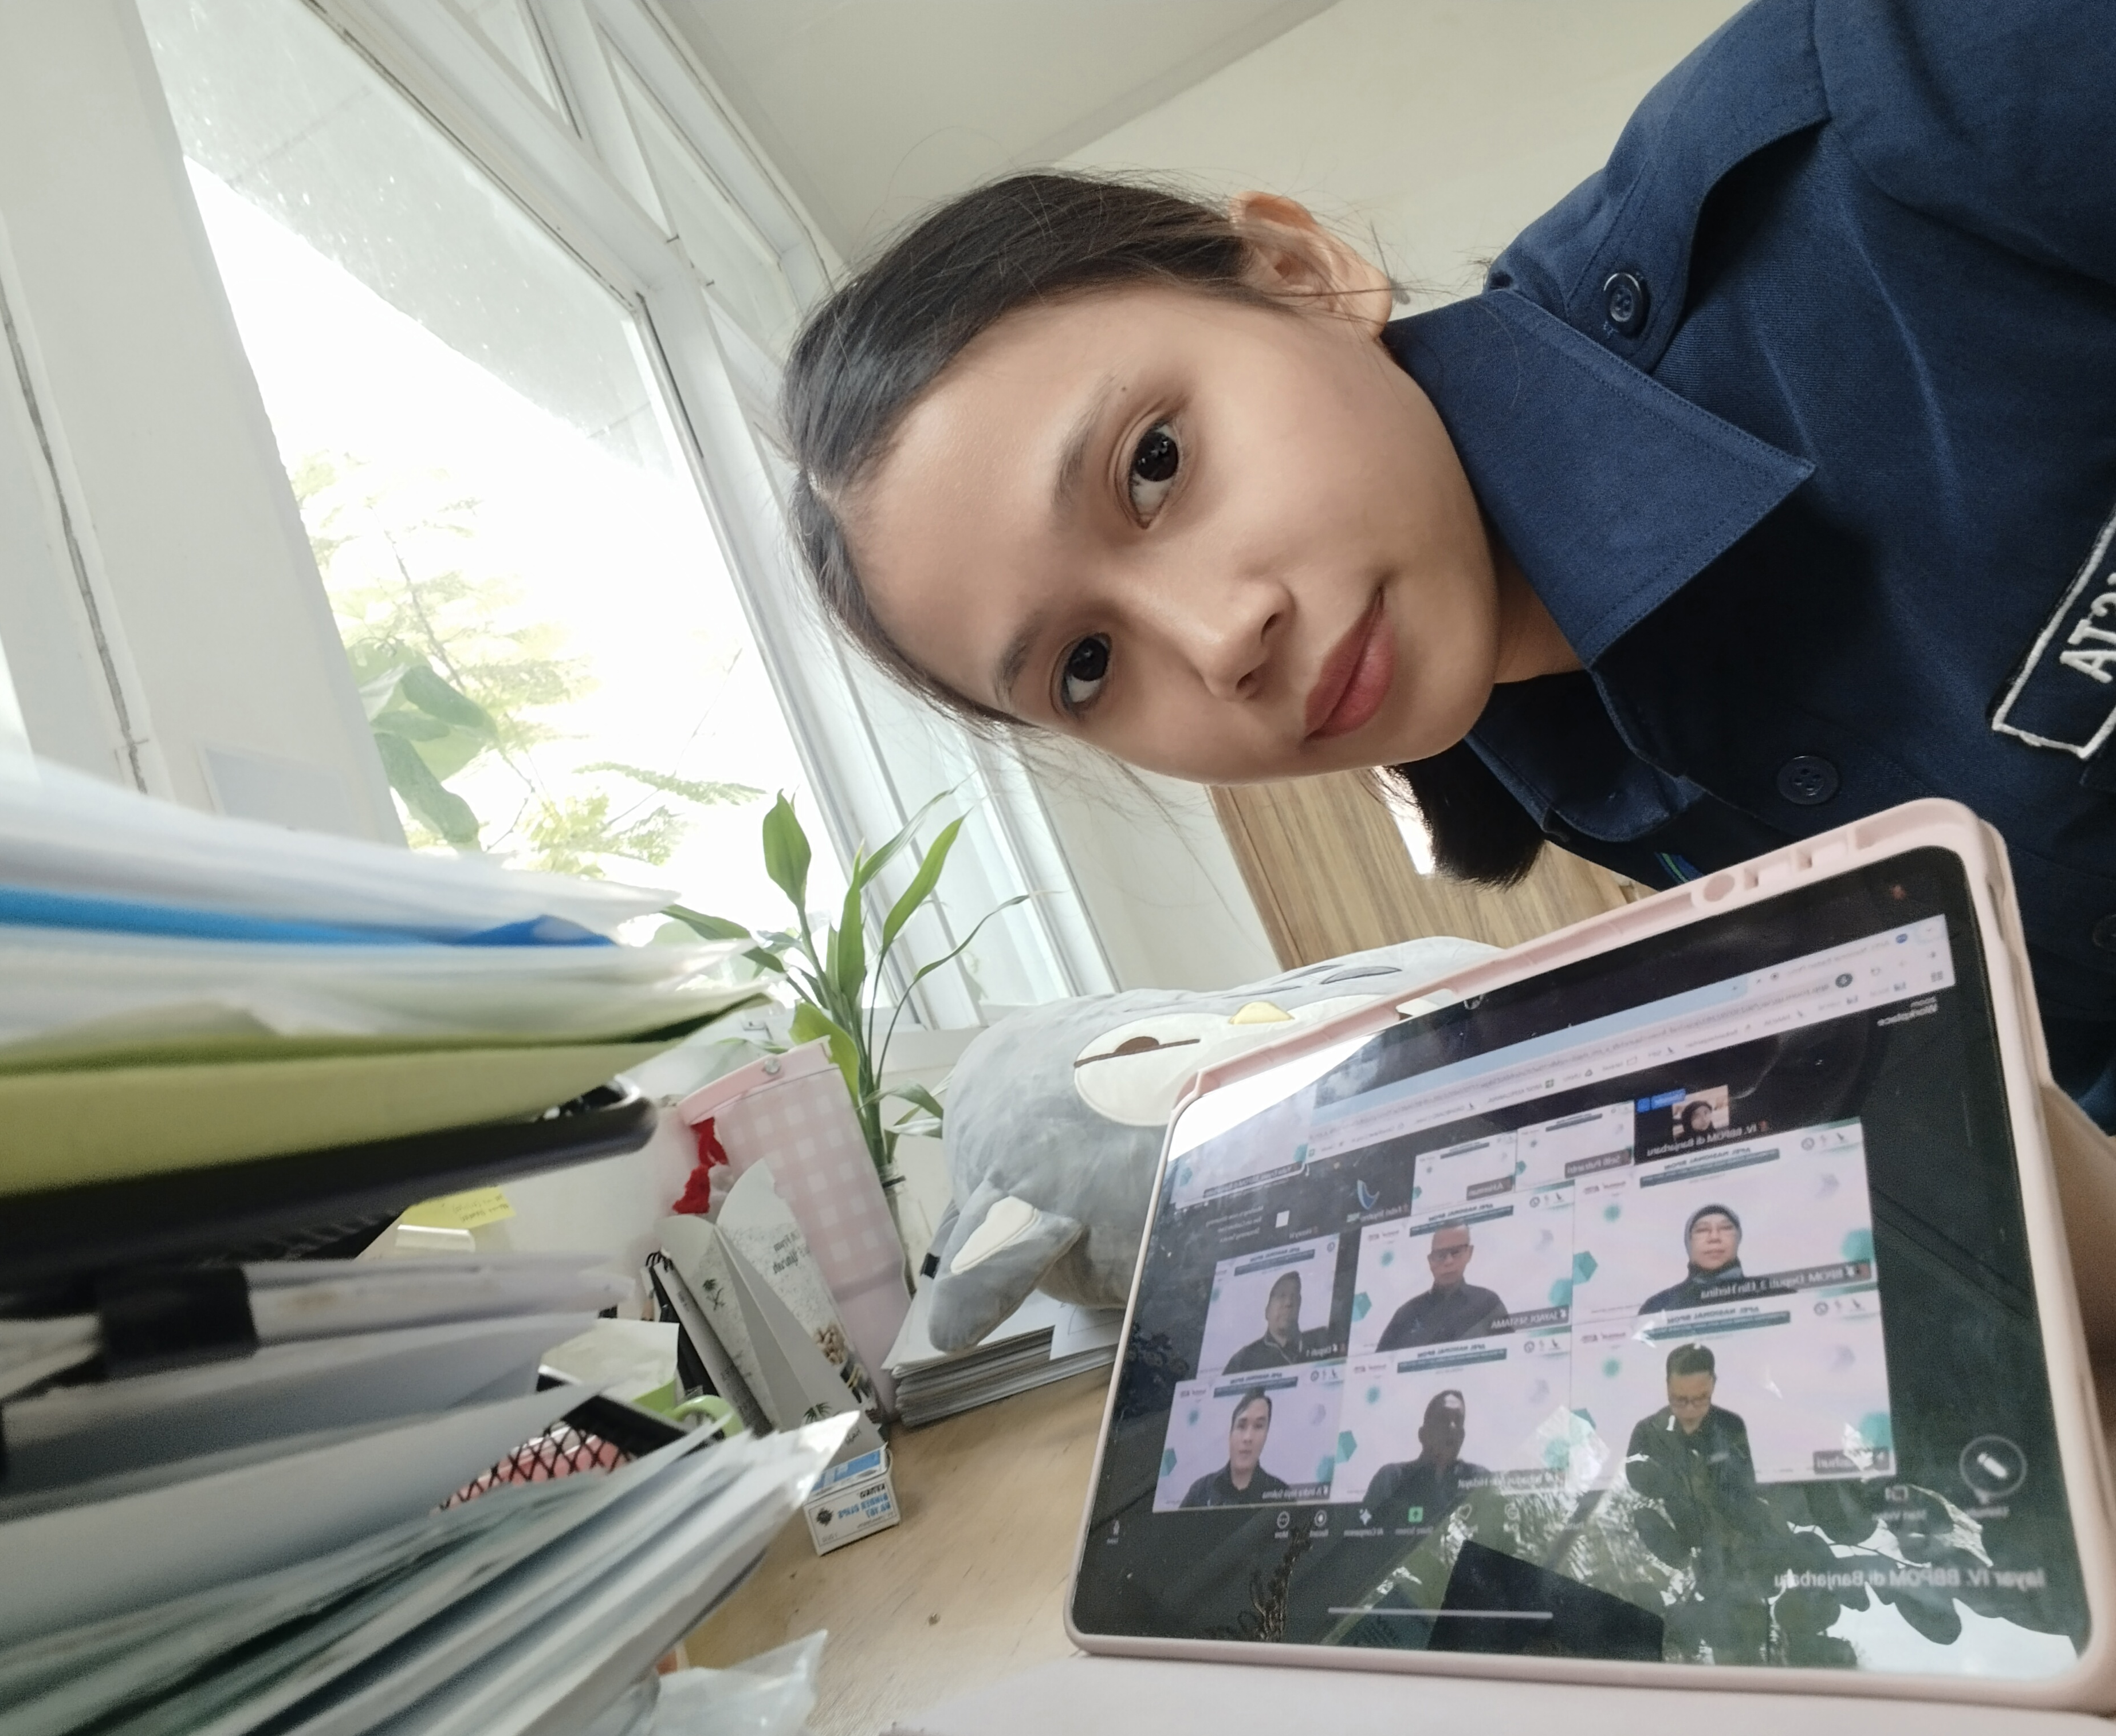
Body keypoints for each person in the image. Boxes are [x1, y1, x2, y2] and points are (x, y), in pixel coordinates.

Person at [778, 1, 2116, 1129]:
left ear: (1302, 274)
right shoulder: (1560, 778)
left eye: (1153, 464)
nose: (1218, 643)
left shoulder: (1891, 108)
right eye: (1084, 666)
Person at [1624, 1344, 1775, 1660]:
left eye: (1700, 1399)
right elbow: (1635, 1483)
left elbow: (1753, 1486)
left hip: (1734, 1545)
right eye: (1680, 1399)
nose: (1690, 1409)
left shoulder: (1733, 1427)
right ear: (1667, 1386)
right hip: (1692, 1543)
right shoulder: (1647, 1433)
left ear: (1714, 1385)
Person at [1360, 1389, 1490, 1526]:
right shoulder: (1391, 1478)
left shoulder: (1479, 1478)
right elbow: (1366, 1526)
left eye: (1458, 1420)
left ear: (1462, 1437)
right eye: (1443, 1419)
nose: (1452, 1427)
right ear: (1423, 1434)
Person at [1375, 1224, 1505, 1351]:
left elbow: (1509, 1353)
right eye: (1440, 1255)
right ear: (1430, 1261)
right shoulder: (1406, 1315)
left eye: (1456, 1252)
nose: (1448, 1262)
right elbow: (1380, 1362)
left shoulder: (1488, 1304)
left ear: (1469, 1253)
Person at [1180, 1387, 1291, 1508]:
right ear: (1230, 1434)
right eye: (1241, 1426)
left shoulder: (1281, 1493)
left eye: (1259, 1426)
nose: (1248, 1438)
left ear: (1266, 1435)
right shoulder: (1201, 1491)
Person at [1640, 1204, 1749, 1314]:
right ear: (1688, 1241)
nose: (1714, 1237)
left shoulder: (1759, 1293)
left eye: (1726, 1228)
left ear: (1739, 1237)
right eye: (1702, 1230)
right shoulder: (1659, 1306)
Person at [1224, 1269, 1306, 1372]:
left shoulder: (1320, 1342)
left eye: (1294, 1296)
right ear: (1267, 1310)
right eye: (1281, 1296)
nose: (1289, 1303)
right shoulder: (1243, 1361)